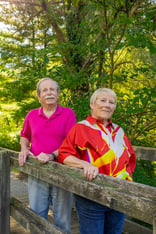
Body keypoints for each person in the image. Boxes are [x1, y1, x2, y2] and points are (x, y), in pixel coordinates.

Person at [59, 88, 136, 234]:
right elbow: (64, 154)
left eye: (111, 102)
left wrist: (127, 181)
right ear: (92, 104)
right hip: (92, 195)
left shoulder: (119, 131)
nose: (107, 105)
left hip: (119, 196)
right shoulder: (81, 128)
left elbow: (130, 160)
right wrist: (84, 164)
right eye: (103, 100)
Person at [18, 77, 76, 234]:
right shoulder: (31, 115)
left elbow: (70, 143)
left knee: (62, 219)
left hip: (62, 172)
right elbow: (25, 136)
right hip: (37, 171)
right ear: (38, 96)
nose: (49, 92)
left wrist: (51, 155)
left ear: (58, 93)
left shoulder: (68, 114)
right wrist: (24, 148)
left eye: (52, 89)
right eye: (45, 90)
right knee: (37, 216)